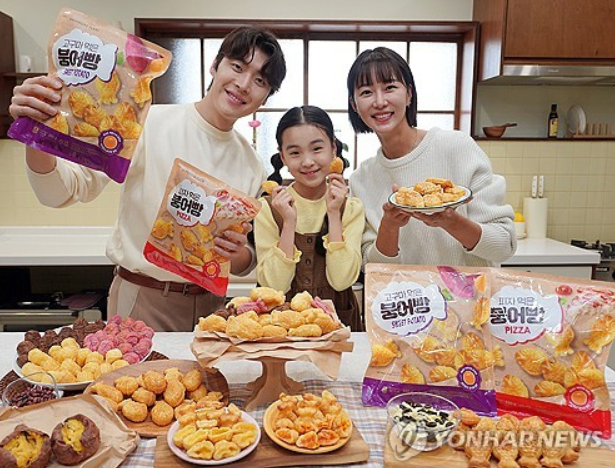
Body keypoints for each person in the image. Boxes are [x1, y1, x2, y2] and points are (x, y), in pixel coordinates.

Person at [8, 27, 287, 331]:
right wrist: (36, 132)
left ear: (265, 97)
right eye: (237, 67)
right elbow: (60, 192)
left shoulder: (252, 164)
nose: (243, 84)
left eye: (260, 81)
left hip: (211, 309)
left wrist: (237, 253)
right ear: (215, 65)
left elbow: (246, 261)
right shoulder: (145, 123)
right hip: (143, 299)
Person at [347, 47, 515, 268]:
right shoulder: (361, 179)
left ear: (409, 94)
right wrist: (389, 226)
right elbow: (372, 268)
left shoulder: (457, 148)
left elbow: (504, 245)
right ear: (354, 105)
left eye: (389, 88)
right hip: (405, 291)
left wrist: (451, 221)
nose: (379, 102)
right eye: (366, 92)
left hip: (472, 290)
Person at [253, 106, 365, 330]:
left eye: (316, 149)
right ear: (283, 157)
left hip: (339, 324)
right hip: (281, 326)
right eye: (295, 153)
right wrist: (288, 224)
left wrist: (334, 214)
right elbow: (274, 287)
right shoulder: (269, 208)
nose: (307, 161)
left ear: (333, 149)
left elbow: (342, 280)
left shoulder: (351, 208)